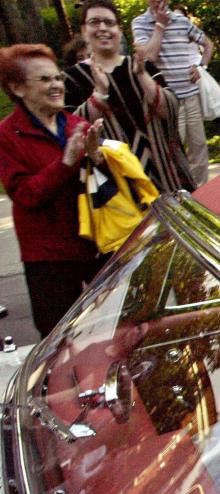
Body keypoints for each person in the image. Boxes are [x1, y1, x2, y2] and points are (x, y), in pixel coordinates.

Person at [0, 45, 106, 337]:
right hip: (48, 258)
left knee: (114, 326)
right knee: (58, 339)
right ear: (18, 88)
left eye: (58, 77)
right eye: (45, 80)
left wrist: (99, 159)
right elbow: (26, 195)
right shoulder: (6, 136)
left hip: (93, 245)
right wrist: (66, 162)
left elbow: (100, 187)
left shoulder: (78, 124)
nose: (57, 85)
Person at [65, 0, 193, 194]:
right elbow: (71, 131)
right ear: (83, 30)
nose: (102, 28)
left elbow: (170, 112)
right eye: (94, 22)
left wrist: (142, 76)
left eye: (109, 22)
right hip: (117, 189)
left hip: (168, 179)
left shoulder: (143, 66)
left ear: (118, 29)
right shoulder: (72, 79)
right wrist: (99, 95)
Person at [132, 0, 213, 186]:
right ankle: (180, 196)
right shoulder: (140, 23)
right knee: (173, 152)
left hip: (191, 95)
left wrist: (201, 66)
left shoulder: (181, 21)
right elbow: (148, 57)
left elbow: (208, 44)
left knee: (199, 148)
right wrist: (160, 25)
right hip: (165, 101)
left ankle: (201, 195)